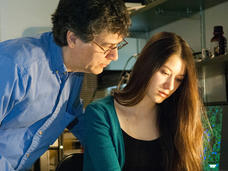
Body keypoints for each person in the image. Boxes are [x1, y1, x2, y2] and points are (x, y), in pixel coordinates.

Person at [0, 0, 130, 170]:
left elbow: (73, 114)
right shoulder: (16, 66)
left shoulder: (75, 73)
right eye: (107, 46)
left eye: (118, 45)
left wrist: (112, 146)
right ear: (73, 38)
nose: (114, 56)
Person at [83, 32, 207, 171]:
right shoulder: (100, 115)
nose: (170, 86)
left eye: (178, 79)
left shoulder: (177, 118)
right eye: (165, 73)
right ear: (147, 66)